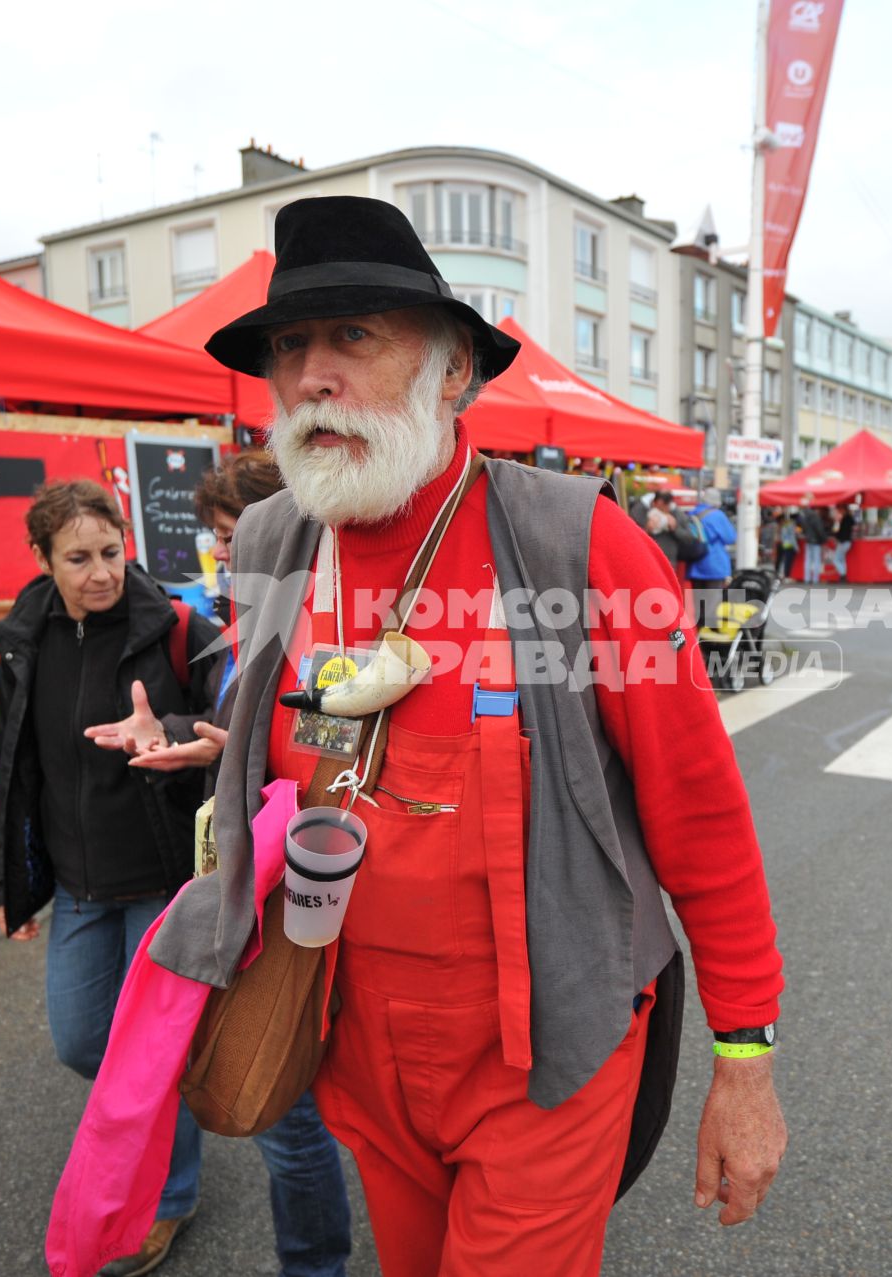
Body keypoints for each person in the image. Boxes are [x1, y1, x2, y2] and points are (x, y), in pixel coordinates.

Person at [138, 196, 786, 1276]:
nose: (310, 376)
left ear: (452, 373)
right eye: (289, 346)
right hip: (347, 1032)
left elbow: (701, 813)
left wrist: (745, 1056)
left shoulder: (582, 544)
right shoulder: (270, 538)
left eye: (353, 337)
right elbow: (288, 745)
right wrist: (198, 743)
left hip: (545, 1046)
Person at [88, 450, 358, 1277]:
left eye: (235, 535)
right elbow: (242, 728)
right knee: (283, 1100)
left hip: (297, 897)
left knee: (288, 1110)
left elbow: (337, 760)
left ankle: (316, 1263)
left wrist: (247, 759)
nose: (223, 554)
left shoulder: (327, 625)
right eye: (216, 540)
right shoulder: (247, 620)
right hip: (246, 880)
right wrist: (194, 739)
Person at [0, 480, 228, 1276]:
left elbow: (236, 723)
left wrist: (176, 730)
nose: (101, 572)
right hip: (80, 884)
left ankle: (169, 1195)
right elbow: (10, 771)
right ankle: (155, 1126)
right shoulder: (26, 639)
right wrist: (7, 884)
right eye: (78, 558)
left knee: (153, 1050)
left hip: (161, 876)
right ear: (43, 560)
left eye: (111, 552)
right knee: (85, 1039)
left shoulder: (177, 628)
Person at [688, 487, 738, 629]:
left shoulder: (693, 514)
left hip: (695, 564)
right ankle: (709, 641)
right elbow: (730, 537)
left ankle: (697, 639)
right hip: (714, 565)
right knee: (712, 604)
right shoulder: (717, 515)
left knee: (698, 605)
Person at [799, 503, 829, 583]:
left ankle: (807, 578)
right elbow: (819, 530)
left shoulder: (805, 517)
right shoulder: (816, 517)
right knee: (816, 560)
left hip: (808, 540)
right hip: (816, 541)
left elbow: (803, 528)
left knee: (808, 560)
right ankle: (815, 579)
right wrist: (824, 539)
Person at [831, 503, 858, 581]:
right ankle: (843, 575)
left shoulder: (844, 519)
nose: (838, 511)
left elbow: (839, 531)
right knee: (842, 559)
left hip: (843, 541)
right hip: (847, 541)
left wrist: (836, 535)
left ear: (843, 509)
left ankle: (843, 574)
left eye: (839, 509)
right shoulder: (849, 519)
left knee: (836, 559)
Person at [774, 511, 799, 579]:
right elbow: (791, 537)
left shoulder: (784, 525)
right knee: (784, 561)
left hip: (783, 544)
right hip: (786, 545)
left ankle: (779, 574)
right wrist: (796, 547)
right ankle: (784, 575)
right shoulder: (788, 525)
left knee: (781, 560)